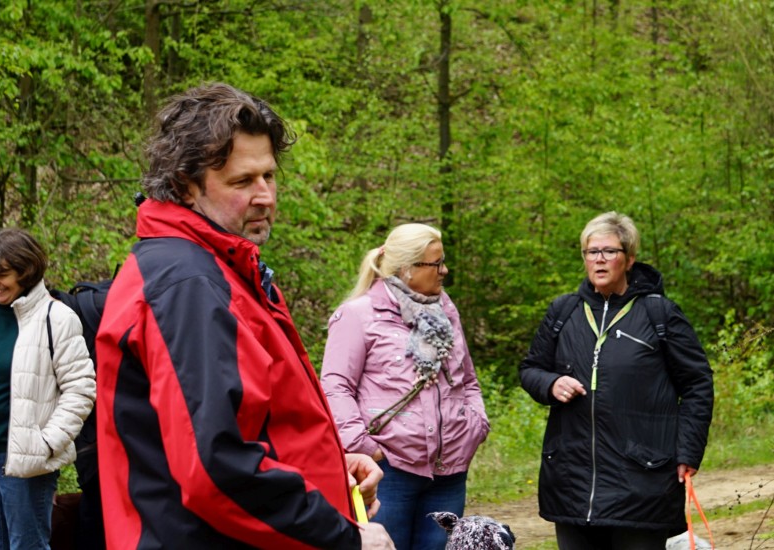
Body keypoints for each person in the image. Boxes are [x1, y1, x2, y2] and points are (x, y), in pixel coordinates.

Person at [95, 82, 394, 549]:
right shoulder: (189, 284)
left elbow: (254, 424)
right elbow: (217, 468)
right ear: (185, 186)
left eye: (268, 176)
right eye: (242, 181)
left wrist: (330, 470)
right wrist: (345, 539)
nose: (265, 196)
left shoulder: (223, 270)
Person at [518, 211, 714, 550]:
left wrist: (688, 450)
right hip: (572, 482)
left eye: (609, 251)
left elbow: (697, 384)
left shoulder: (659, 314)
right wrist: (550, 384)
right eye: (591, 251)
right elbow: (530, 369)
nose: (599, 259)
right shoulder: (563, 311)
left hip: (642, 480)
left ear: (630, 258)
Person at [321, 223, 491, 550]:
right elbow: (335, 387)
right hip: (389, 471)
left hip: (450, 471)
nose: (444, 270)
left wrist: (476, 425)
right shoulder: (358, 315)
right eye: (436, 263)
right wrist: (364, 447)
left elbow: (467, 379)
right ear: (407, 268)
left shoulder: (446, 311)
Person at [0, 227, 96, 550]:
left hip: (23, 462)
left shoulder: (57, 318)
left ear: (26, 271)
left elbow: (81, 388)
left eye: (1, 274)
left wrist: (46, 444)